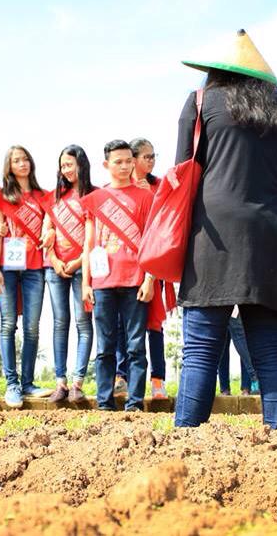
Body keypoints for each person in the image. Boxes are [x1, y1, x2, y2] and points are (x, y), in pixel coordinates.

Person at [172, 30, 277, 429]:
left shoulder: (200, 103)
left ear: (215, 71)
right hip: (268, 236)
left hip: (213, 233)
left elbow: (184, 170)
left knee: (200, 349)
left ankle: (186, 440)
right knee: (269, 349)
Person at [81, 139, 155, 412]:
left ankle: (135, 403)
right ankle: (104, 403)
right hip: (102, 282)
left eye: (128, 161)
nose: (125, 166)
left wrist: (150, 279)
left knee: (136, 346)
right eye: (118, 161)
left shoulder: (146, 197)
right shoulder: (95, 199)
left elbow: (151, 241)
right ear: (106, 165)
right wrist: (85, 283)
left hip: (135, 280)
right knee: (105, 347)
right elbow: (88, 243)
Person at [0, 145, 52, 408]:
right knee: (7, 324)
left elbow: (50, 226)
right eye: (16, 160)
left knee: (32, 326)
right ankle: (12, 383)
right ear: (9, 166)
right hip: (7, 266)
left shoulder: (44, 196)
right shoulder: (3, 197)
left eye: (25, 158)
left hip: (35, 267)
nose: (22, 163)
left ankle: (28, 382)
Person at [111, 138, 173, 401]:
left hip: (151, 266)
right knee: (122, 326)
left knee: (154, 323)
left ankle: (157, 380)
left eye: (153, 156)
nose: (151, 161)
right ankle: (120, 377)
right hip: (123, 268)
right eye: (146, 156)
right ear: (133, 159)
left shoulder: (160, 187)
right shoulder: (117, 189)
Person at [42, 145, 94, 403]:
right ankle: (60, 382)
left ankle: (77, 383)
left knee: (83, 323)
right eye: (63, 165)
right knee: (60, 323)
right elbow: (46, 232)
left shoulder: (92, 195)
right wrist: (54, 260)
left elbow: (92, 238)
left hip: (81, 268)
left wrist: (76, 263)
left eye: (70, 164)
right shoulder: (54, 198)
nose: (66, 170)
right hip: (55, 269)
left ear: (82, 164)